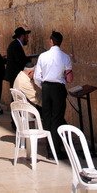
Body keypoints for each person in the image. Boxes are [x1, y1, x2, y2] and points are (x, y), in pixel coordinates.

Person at [34, 30, 73, 158]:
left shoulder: (42, 56)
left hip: (46, 88)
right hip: (58, 89)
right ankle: (57, 149)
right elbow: (69, 79)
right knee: (57, 118)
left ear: (51, 41)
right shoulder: (65, 57)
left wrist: (44, 86)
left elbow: (37, 77)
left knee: (47, 117)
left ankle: (49, 149)